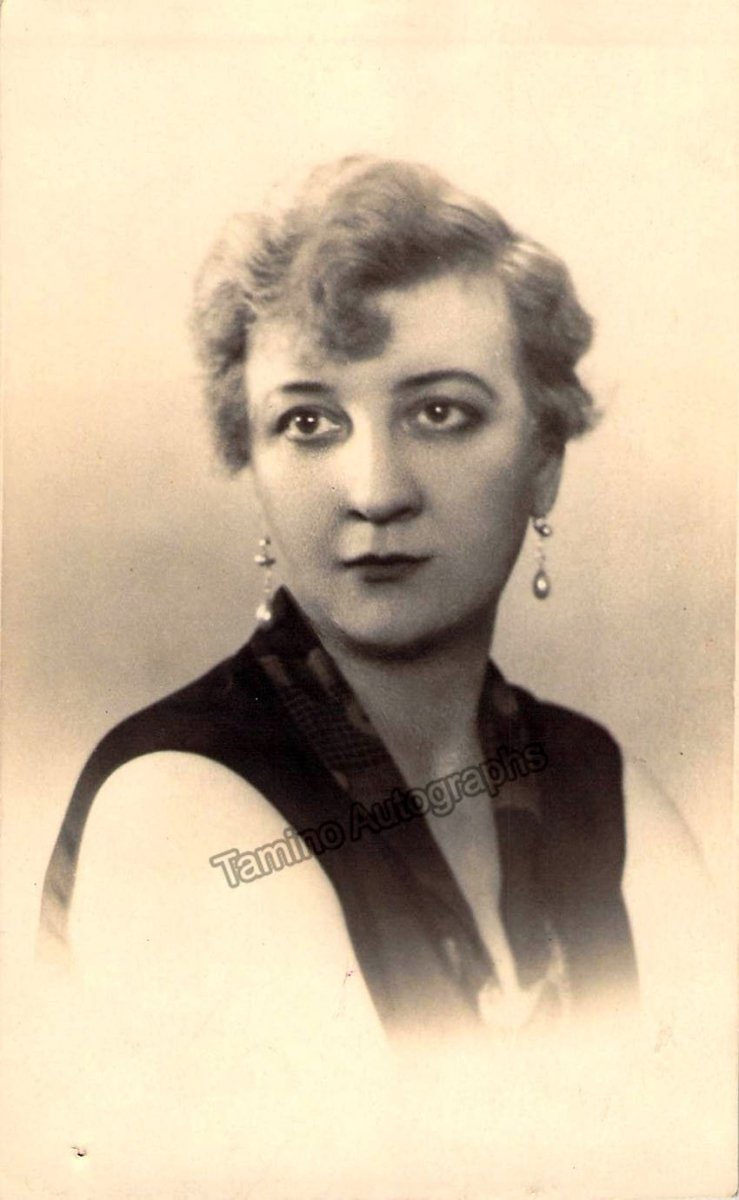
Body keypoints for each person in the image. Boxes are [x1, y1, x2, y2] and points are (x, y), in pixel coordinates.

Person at [39, 157, 710, 1061]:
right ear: (254, 463)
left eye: (438, 412)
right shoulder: (179, 806)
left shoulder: (606, 789)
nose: (375, 492)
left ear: (544, 459)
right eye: (308, 423)